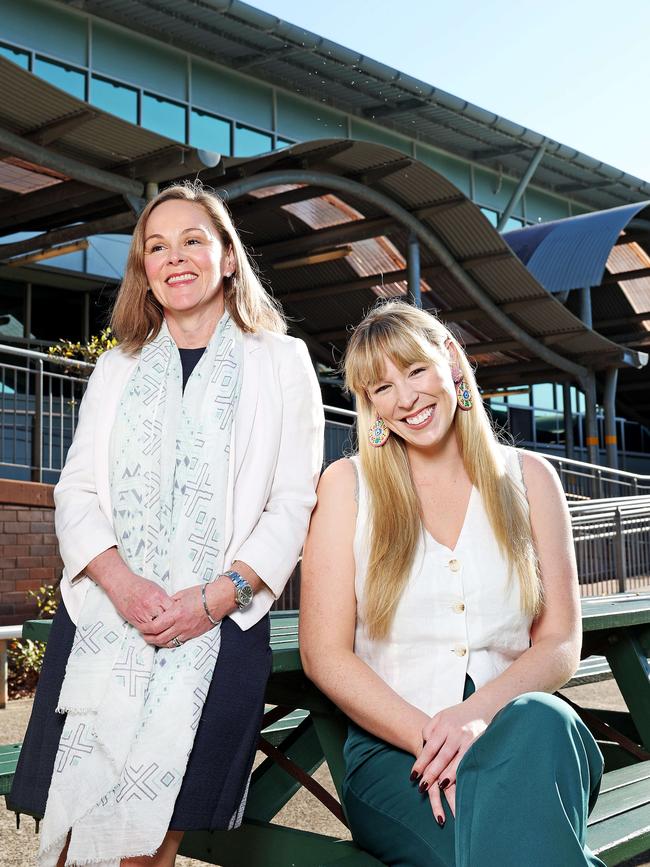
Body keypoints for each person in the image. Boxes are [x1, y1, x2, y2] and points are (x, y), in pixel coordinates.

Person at [9, 181, 324, 867]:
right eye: (156, 246)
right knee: (69, 838)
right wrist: (123, 586)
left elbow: (293, 501)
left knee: (146, 848)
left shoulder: (281, 362)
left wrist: (213, 598)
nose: (174, 257)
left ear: (228, 258)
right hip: (106, 617)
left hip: (219, 623)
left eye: (192, 240)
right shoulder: (117, 368)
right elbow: (77, 492)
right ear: (143, 270)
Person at [300, 300, 605, 867]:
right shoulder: (347, 487)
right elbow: (323, 653)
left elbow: (561, 640)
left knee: (547, 717)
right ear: (370, 406)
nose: (407, 398)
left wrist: (476, 715)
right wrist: (436, 743)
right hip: (397, 750)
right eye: (381, 388)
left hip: (517, 736)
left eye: (415, 371)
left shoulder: (532, 480)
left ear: (452, 365)